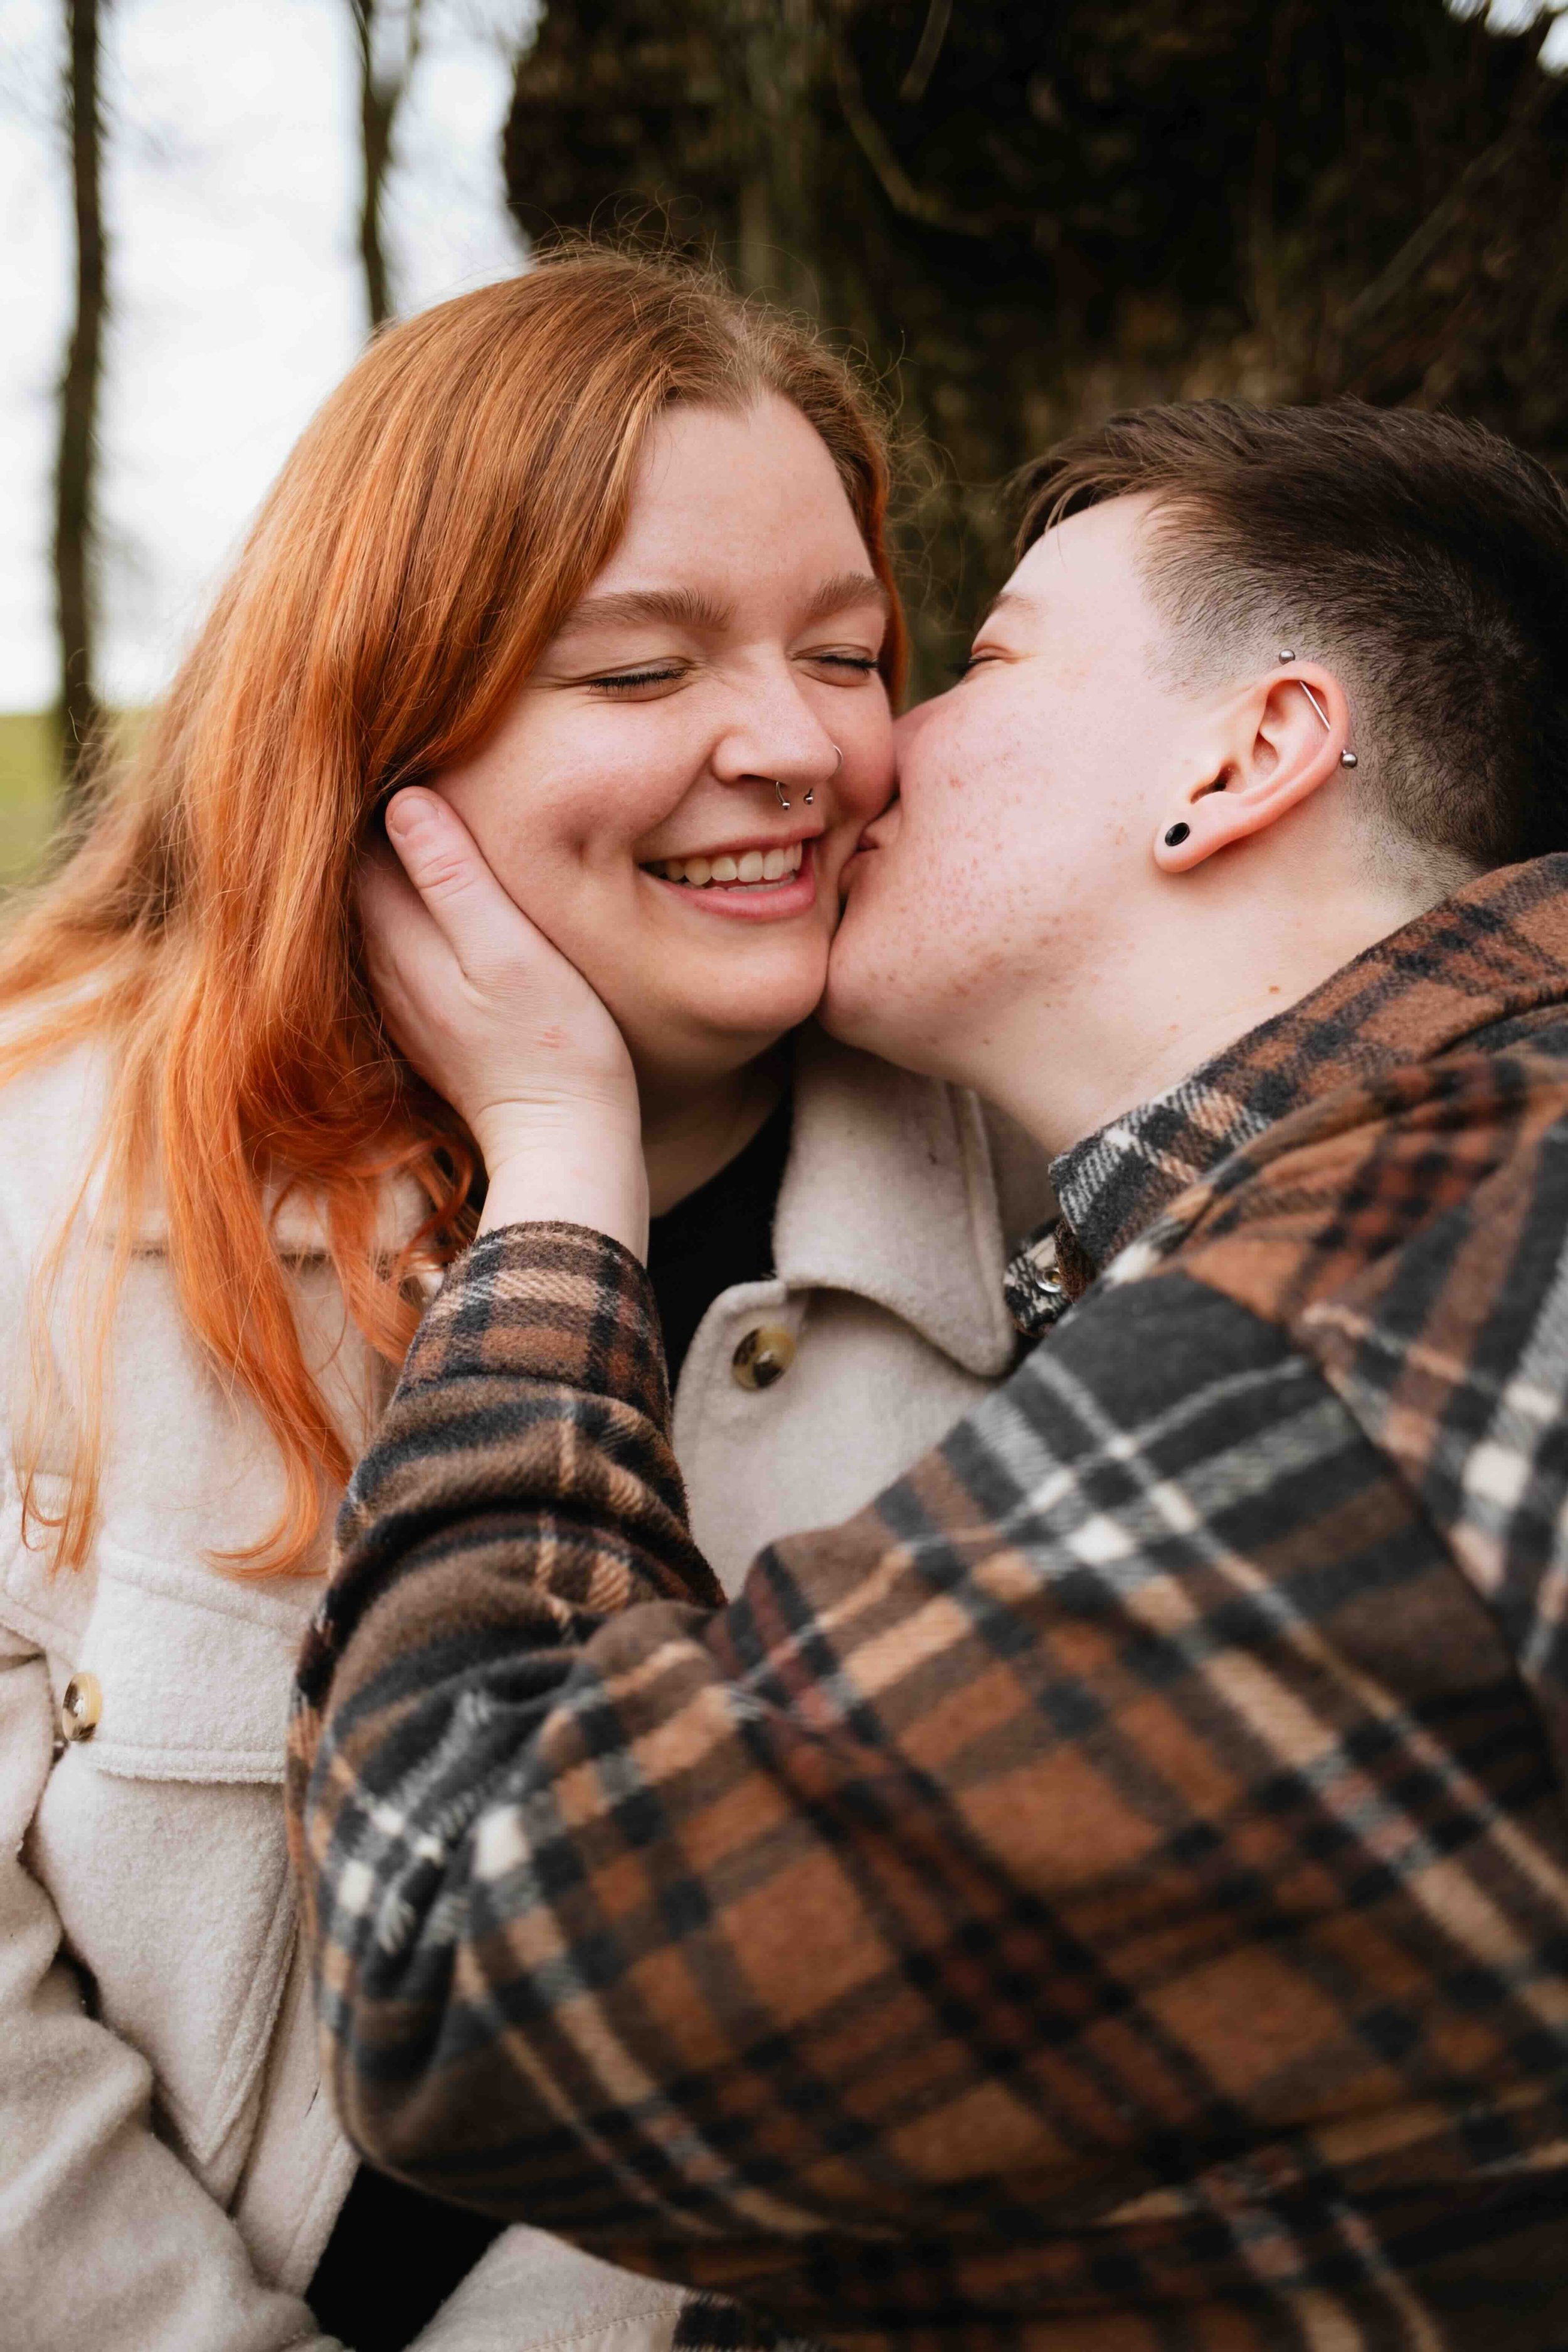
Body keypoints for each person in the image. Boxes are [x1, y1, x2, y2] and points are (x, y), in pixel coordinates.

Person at [291, 400, 1568, 2351]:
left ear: (1242, 760)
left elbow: (463, 1956)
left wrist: (557, 1173)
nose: (846, 749)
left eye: (968, 661)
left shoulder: (1344, 1345)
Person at [0, 249, 1046, 2352]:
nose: (790, 748)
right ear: (377, 721)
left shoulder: (1042, 1222)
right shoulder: (50, 1169)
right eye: (638, 674)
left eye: (845, 654)